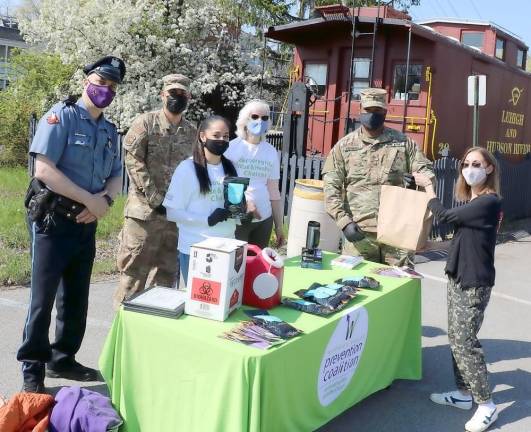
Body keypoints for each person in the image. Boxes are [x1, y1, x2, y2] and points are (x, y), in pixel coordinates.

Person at [18, 56, 126, 393]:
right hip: (53, 221)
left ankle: (63, 357)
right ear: (86, 81)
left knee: (76, 297)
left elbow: (116, 175)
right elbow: (44, 170)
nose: (104, 90)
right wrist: (88, 199)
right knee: (42, 299)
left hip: (87, 223)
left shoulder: (109, 130)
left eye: (111, 86)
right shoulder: (61, 116)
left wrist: (103, 203)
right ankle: (33, 367)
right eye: (100, 82)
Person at [413, 147, 502, 432]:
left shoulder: (489, 201)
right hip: (458, 275)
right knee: (456, 337)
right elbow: (464, 237)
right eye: (466, 164)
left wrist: (428, 188)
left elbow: (445, 216)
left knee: (465, 342)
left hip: (474, 281)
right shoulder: (475, 203)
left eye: (477, 164)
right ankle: (464, 394)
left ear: (489, 168)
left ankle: (486, 404)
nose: (469, 168)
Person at [322, 87, 434, 266]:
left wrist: (416, 181)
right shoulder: (344, 147)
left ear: (385, 111)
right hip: (359, 233)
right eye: (368, 110)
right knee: (357, 288)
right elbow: (330, 188)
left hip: (397, 232)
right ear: (360, 110)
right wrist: (344, 222)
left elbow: (426, 173)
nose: (373, 115)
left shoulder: (404, 144)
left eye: (378, 110)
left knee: (398, 286)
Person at [114, 74, 197, 306]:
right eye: (172, 94)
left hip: (174, 217)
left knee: (167, 278)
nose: (177, 98)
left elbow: (194, 168)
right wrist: (154, 197)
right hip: (144, 215)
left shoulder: (191, 131)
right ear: (163, 95)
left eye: (182, 94)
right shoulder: (146, 123)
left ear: (188, 98)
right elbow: (133, 160)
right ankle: (123, 329)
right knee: (133, 276)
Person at [163, 116, 238, 284]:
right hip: (197, 249)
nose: (221, 140)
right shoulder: (187, 169)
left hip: (227, 247)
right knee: (200, 306)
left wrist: (243, 208)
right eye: (216, 135)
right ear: (203, 137)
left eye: (225, 136)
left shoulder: (231, 167)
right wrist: (207, 220)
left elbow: (235, 205)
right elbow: (172, 212)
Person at [225, 99, 285, 249]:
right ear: (245, 120)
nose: (260, 121)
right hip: (237, 219)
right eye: (255, 117)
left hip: (264, 220)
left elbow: (274, 192)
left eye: (265, 118)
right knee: (236, 268)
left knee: (257, 266)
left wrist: (279, 226)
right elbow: (223, 182)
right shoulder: (231, 148)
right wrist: (245, 204)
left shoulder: (271, 151)